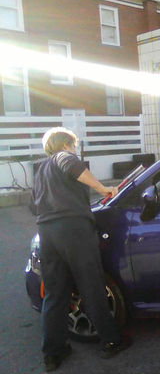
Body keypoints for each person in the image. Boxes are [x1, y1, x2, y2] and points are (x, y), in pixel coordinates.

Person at [32, 127, 131, 372]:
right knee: (91, 284)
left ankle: (53, 354)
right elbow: (74, 167)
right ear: (66, 143)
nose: (74, 149)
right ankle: (111, 341)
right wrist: (103, 189)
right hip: (74, 230)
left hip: (47, 232)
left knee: (55, 294)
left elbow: (32, 206)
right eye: (73, 144)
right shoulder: (63, 156)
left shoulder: (41, 170)